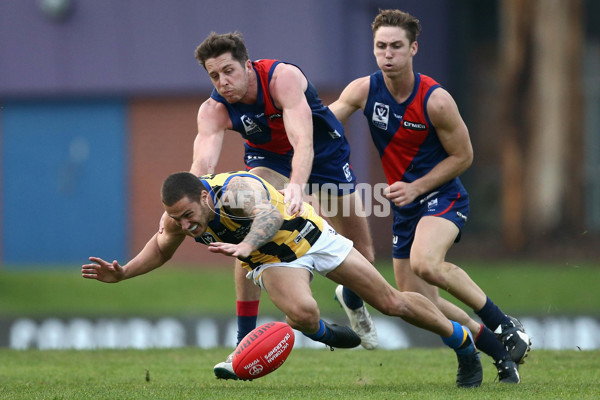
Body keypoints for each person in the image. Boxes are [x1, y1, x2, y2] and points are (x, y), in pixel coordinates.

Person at [82, 171, 484, 388]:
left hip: (310, 236)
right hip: (272, 259)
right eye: (178, 219)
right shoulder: (175, 218)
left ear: (205, 196)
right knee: (303, 316)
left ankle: (463, 343)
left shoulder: (236, 191)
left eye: (189, 216)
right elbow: (160, 247)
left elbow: (270, 216)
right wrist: (124, 274)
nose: (186, 226)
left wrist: (244, 246)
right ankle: (327, 333)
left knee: (393, 303)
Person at [328, 9, 531, 384]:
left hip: (443, 197)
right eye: (380, 47)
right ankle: (500, 352)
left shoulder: (436, 100)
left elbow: (464, 156)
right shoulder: (363, 90)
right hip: (406, 209)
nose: (387, 54)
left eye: (396, 46)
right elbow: (324, 123)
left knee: (426, 263)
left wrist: (418, 187)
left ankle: (502, 323)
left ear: (413, 48)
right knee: (419, 304)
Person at [186, 31, 377, 378]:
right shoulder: (213, 109)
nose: (223, 82)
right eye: (214, 75)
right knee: (241, 219)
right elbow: (202, 168)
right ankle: (243, 341)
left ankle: (351, 297)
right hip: (268, 160)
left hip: (323, 155)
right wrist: (184, 203)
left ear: (247, 65)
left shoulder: (282, 78)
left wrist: (298, 188)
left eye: (228, 71)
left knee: (364, 253)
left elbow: (302, 142)